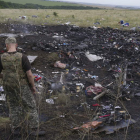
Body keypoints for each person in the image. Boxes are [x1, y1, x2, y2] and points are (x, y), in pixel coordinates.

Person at [0, 37, 45, 136]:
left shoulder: (1, 57)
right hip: (22, 86)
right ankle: (34, 129)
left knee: (13, 106)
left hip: (9, 86)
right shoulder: (22, 57)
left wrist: (6, 77)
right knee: (30, 105)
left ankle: (16, 129)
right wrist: (32, 87)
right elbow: (29, 74)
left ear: (6, 45)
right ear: (16, 45)